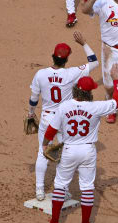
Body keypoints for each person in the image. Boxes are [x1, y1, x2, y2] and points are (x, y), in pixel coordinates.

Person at [42, 64, 118, 223]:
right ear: (89, 93)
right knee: (87, 187)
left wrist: (44, 144)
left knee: (60, 184)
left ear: (76, 90)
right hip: (88, 152)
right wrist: (116, 80)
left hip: (69, 150)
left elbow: (51, 130)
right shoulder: (96, 107)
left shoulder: (64, 107)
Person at [27, 31, 99, 201]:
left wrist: (30, 114)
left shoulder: (41, 74)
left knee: (41, 152)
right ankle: (64, 190)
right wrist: (83, 43)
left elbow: (33, 99)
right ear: (66, 59)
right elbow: (94, 62)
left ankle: (39, 190)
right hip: (64, 119)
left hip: (46, 118)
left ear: (53, 56)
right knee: (65, 153)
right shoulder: (72, 73)